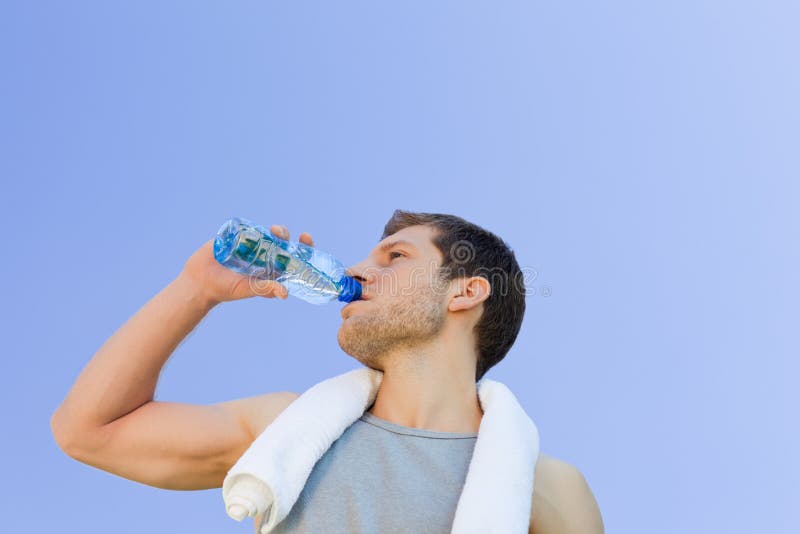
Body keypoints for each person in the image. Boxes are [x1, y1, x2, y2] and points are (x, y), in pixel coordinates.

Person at [50, 209, 604, 533]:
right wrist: (196, 289)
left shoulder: (548, 488)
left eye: (395, 258)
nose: (359, 271)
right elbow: (89, 432)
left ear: (466, 292)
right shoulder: (288, 431)